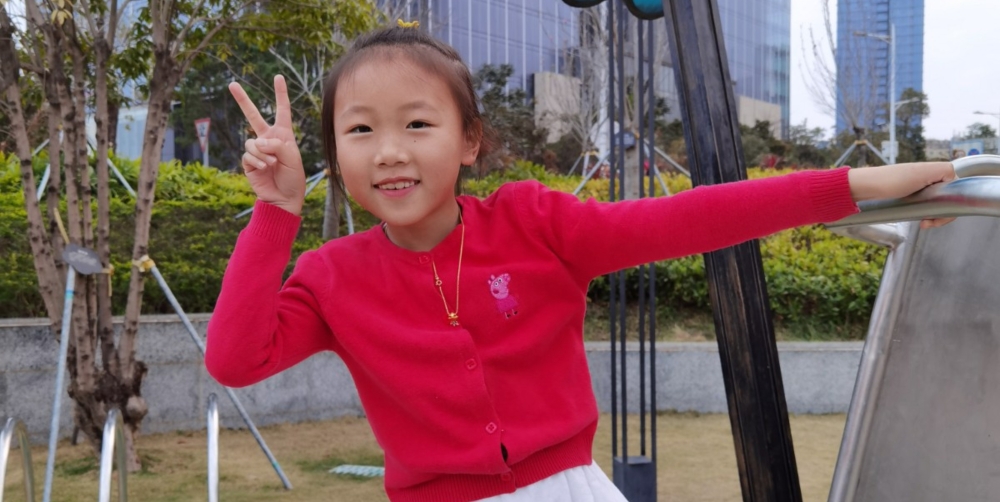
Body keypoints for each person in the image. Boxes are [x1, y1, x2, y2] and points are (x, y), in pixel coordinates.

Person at [205, 25, 955, 502]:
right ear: (335, 153)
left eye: (418, 123)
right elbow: (236, 360)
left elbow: (691, 218)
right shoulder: (330, 277)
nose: (389, 151)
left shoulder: (533, 225)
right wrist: (277, 212)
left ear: (469, 141)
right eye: (361, 130)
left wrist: (853, 185)